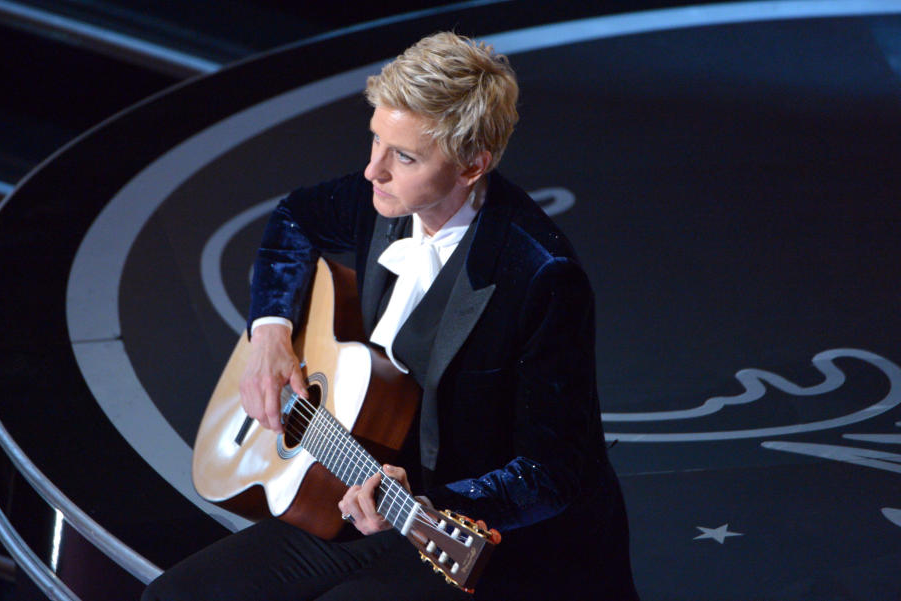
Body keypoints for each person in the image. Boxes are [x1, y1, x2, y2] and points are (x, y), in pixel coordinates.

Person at [143, 31, 638, 600]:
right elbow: (294, 220)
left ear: (472, 164)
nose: (372, 171)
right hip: (359, 475)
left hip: (478, 534)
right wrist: (271, 335)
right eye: (375, 139)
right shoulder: (384, 197)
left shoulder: (542, 275)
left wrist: (436, 503)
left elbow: (551, 473)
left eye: (403, 156)